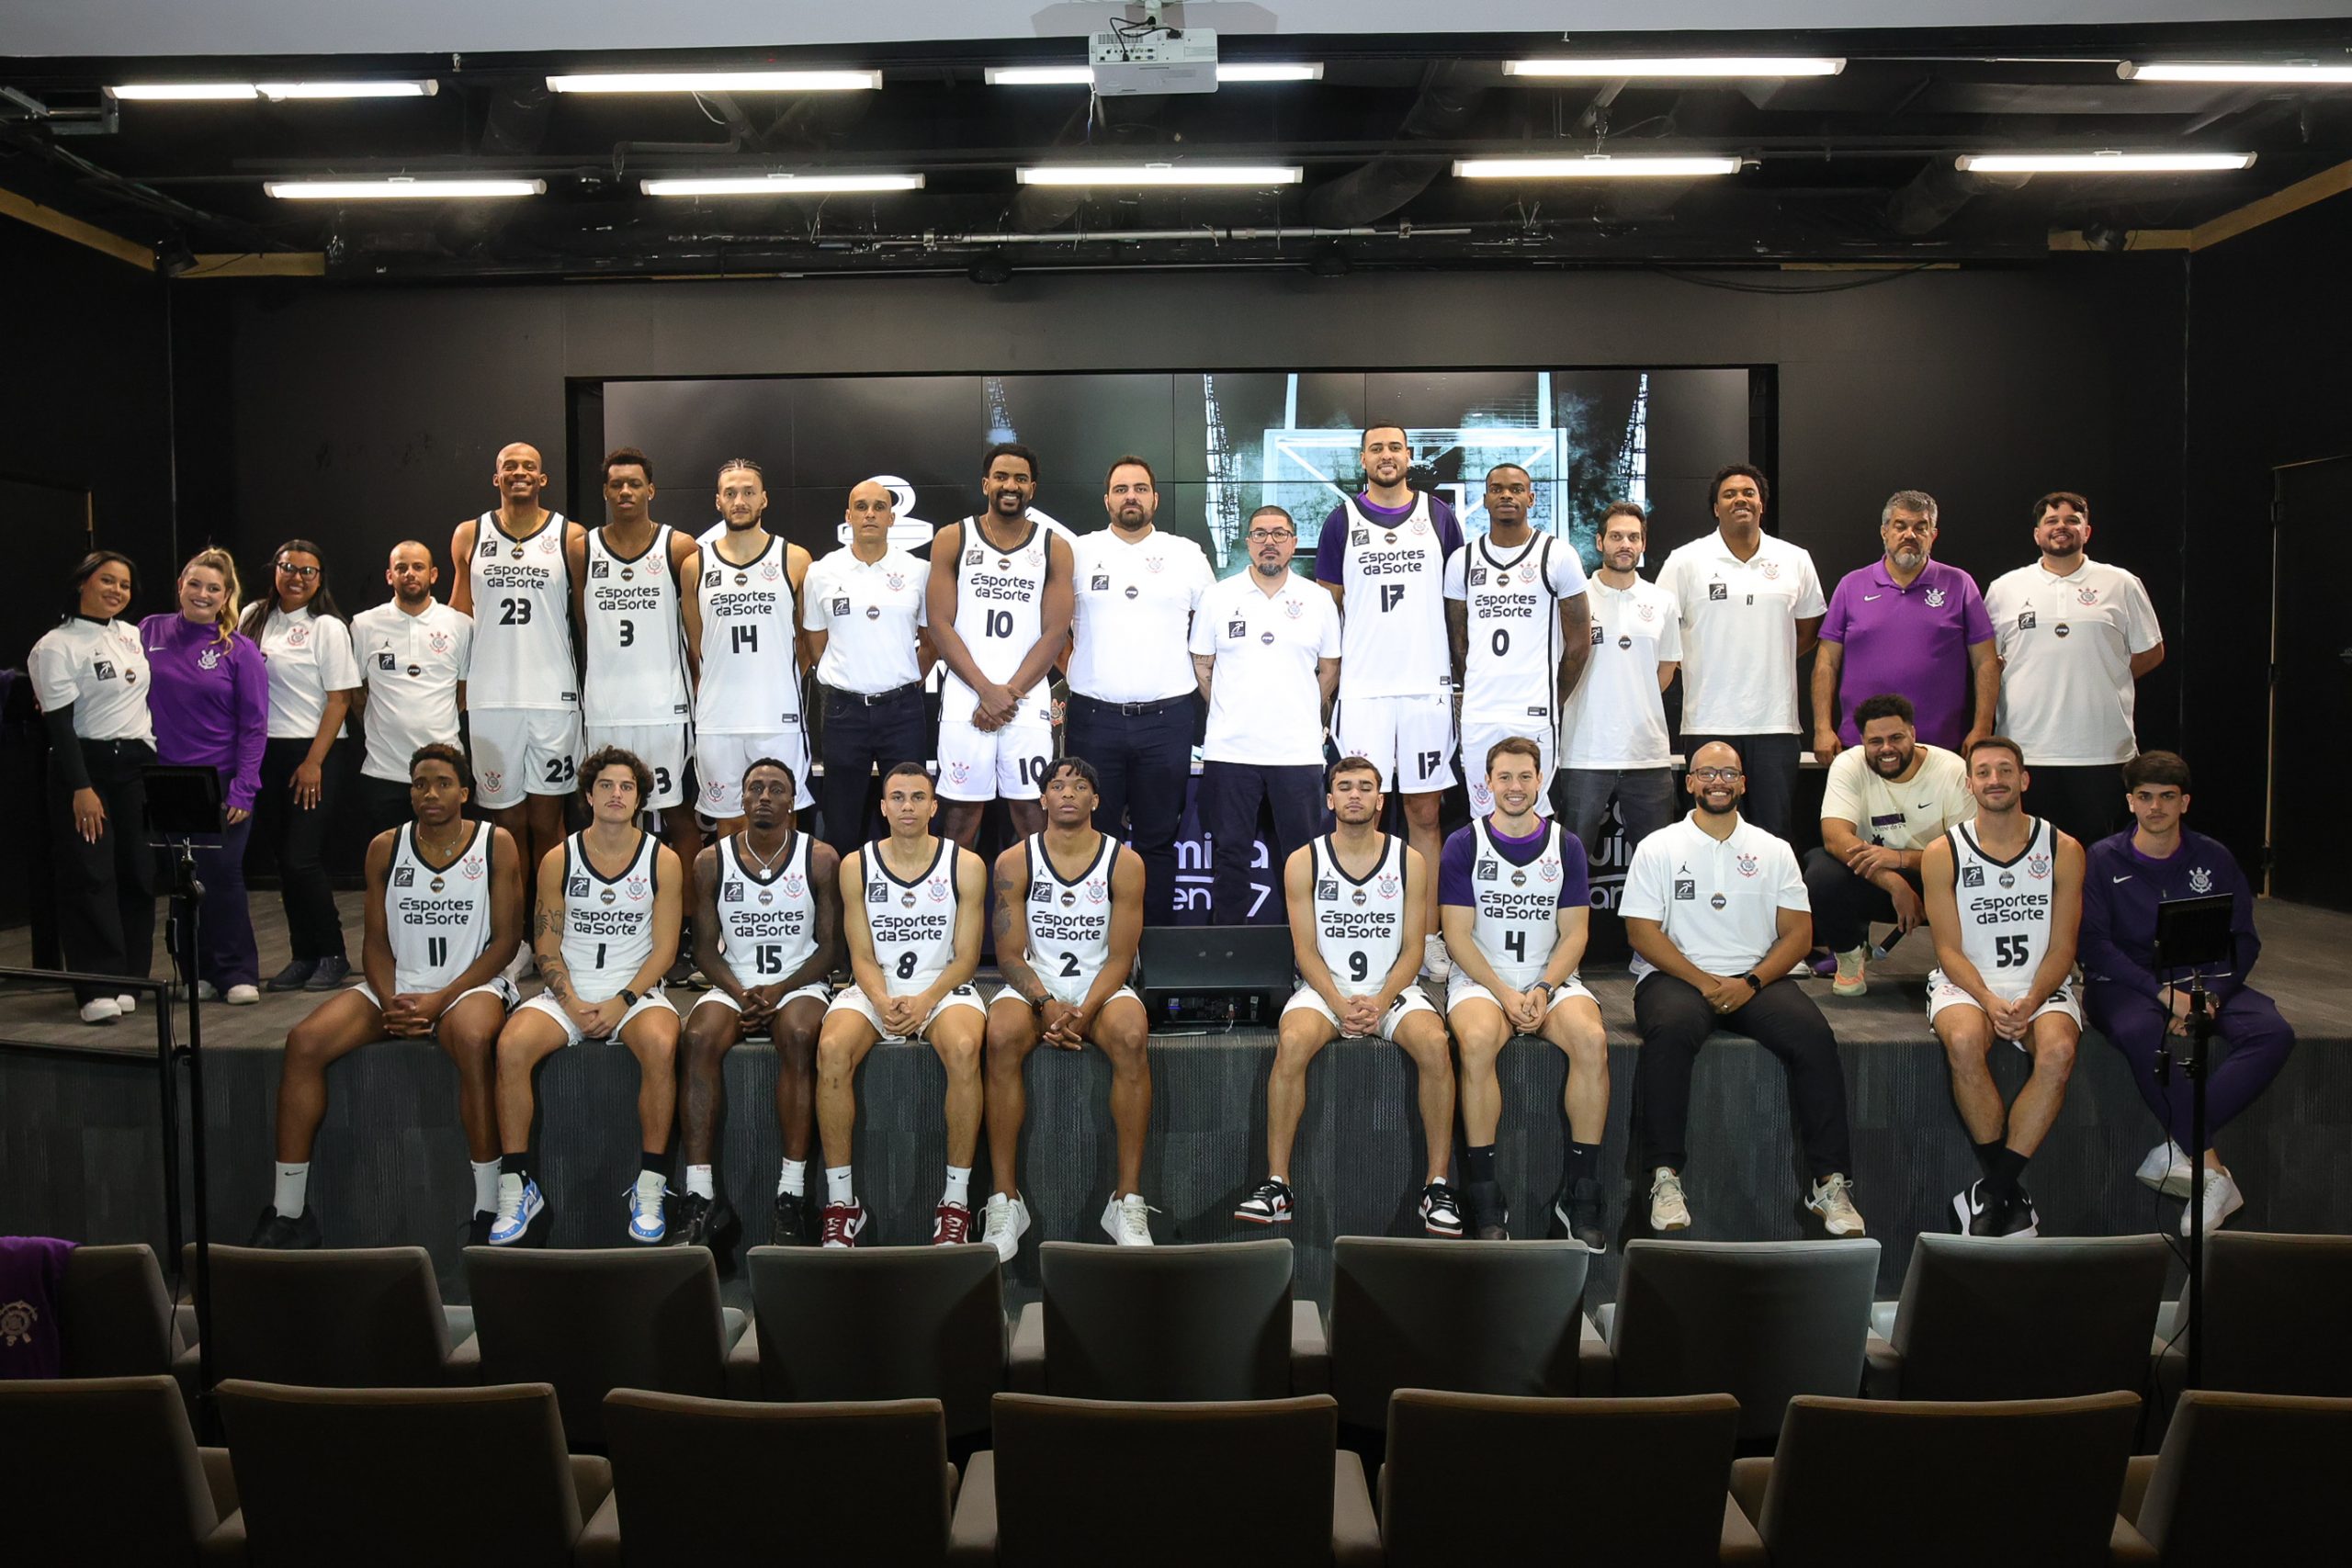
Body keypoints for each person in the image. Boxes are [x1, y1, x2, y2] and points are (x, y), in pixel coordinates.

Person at [247, 745, 525, 1247]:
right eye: (420, 784)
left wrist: (440, 999)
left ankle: (487, 1208)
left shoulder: (495, 843)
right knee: (304, 1042)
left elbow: (506, 941)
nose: (430, 793)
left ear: (464, 793)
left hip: (471, 985)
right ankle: (289, 1212)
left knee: (472, 1039)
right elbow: (374, 942)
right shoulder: (384, 847)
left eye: (442, 783)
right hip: (400, 987)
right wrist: (394, 1000)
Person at [1620, 741, 1865, 1238]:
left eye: (1729, 774)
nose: (1718, 782)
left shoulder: (1773, 849)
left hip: (1756, 979)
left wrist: (1750, 981)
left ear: (1743, 783)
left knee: (1815, 1038)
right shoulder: (1659, 846)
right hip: (1678, 978)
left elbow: (1798, 934)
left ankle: (1830, 1184)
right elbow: (1642, 932)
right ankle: (1664, 1179)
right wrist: (1705, 981)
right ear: (1689, 782)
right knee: (1670, 1033)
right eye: (1707, 773)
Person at [1235, 756, 1461, 1237]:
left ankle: (1437, 1186)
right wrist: (1339, 1005)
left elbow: (1414, 948)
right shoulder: (1304, 860)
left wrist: (1380, 1001)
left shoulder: (1409, 860)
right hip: (1326, 990)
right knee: (1293, 1041)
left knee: (1435, 1044)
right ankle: (1277, 1184)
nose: (1354, 794)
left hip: (1391, 989)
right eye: (1344, 787)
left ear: (1380, 800)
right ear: (1330, 799)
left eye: (1364, 787)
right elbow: (1304, 950)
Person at [2081, 750, 2293, 1236]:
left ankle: (2180, 1146)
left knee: (2273, 1032)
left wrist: (2209, 997)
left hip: (2205, 979)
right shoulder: (2102, 858)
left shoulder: (2214, 857)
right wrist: (2163, 995)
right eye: (2145, 796)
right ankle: (2212, 1172)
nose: (2155, 807)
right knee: (2140, 1033)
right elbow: (2093, 945)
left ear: (2185, 802)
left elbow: (2244, 940)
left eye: (2167, 797)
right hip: (2127, 984)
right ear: (2130, 802)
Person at [487, 747, 684, 1247]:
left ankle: (651, 1186)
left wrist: (623, 1000)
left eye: (627, 787)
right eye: (606, 786)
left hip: (634, 991)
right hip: (569, 992)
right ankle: (516, 1185)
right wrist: (572, 1003)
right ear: (589, 796)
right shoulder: (559, 858)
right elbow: (546, 945)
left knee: (662, 1044)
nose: (616, 794)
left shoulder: (662, 859)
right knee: (511, 1045)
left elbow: (665, 951)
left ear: (639, 799)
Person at [1439, 739, 1610, 1248]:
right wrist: (1504, 993)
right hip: (1482, 981)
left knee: (1592, 1040)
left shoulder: (1566, 845)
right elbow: (1456, 936)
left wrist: (1543, 986)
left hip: (1548, 979)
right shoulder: (1464, 844)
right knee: (1475, 1043)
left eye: (1525, 777)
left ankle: (1580, 1193)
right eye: (1505, 777)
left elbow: (1575, 933)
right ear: (1487, 783)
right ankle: (1485, 1195)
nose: (1515, 787)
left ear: (1541, 781)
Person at [980, 758, 1152, 1258]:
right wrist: (1045, 1002)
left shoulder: (1125, 862)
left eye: (1079, 786)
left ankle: (1127, 1200)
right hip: (1038, 983)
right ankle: (1005, 1200)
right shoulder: (1014, 861)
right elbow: (1009, 956)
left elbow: (1120, 957)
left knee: (1132, 1035)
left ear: (1096, 800)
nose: (1068, 793)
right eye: (1057, 786)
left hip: (1101, 983)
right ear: (1043, 799)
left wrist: (1084, 1009)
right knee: (1000, 1035)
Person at [814, 762, 989, 1247]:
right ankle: (841, 1204)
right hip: (878, 987)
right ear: (883, 806)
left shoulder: (966, 865)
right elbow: (861, 954)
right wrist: (882, 999)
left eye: (917, 797)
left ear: (934, 807)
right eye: (897, 797)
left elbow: (967, 958)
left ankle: (955, 1204)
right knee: (831, 1049)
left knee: (964, 1047)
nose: (907, 806)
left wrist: (925, 1000)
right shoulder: (856, 865)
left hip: (942, 987)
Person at [1316, 425, 1465, 978]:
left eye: (1394, 448)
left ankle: (1427, 938)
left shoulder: (1439, 516)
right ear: (1363, 458)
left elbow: (1457, 602)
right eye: (1376, 448)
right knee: (1360, 812)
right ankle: (1363, 932)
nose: (1386, 456)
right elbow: (1328, 608)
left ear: (1408, 455)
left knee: (1425, 813)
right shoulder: (1341, 520)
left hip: (1425, 686)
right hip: (1364, 690)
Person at [1919, 737, 2083, 1239]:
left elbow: (2064, 946)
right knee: (1964, 1040)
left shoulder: (2063, 848)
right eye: (1984, 772)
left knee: (2058, 1052)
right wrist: (1989, 1000)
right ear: (1969, 784)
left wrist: (2032, 999)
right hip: (1969, 983)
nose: (1995, 780)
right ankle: (2007, 1192)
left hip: (2040, 983)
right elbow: (1947, 950)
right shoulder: (1942, 852)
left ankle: (1994, 1191)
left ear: (2024, 779)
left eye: (2005, 770)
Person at [676, 759, 840, 1258]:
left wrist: (780, 988)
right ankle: (700, 1195)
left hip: (799, 980)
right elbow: (704, 950)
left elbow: (831, 950)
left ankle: (791, 1194)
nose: (765, 796)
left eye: (776, 789)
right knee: (697, 1038)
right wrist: (740, 991)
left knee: (798, 1035)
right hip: (735, 982)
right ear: (741, 798)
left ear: (793, 800)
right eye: (755, 788)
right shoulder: (710, 861)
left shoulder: (820, 858)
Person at [574, 447, 704, 985]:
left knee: (679, 819)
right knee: (607, 815)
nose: (625, 492)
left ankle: (689, 932)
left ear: (651, 490)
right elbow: (582, 624)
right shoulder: (583, 549)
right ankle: (611, 926)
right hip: (605, 707)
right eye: (616, 485)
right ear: (605, 491)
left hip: (663, 707)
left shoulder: (678, 546)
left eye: (634, 484)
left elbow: (694, 634)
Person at [448, 441, 586, 946]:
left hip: (552, 696)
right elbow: (459, 614)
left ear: (543, 479)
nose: (520, 472)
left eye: (530, 466)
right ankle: (515, 940)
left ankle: (551, 933)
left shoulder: (570, 535)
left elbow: (585, 616)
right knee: (506, 826)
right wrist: (456, 684)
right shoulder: (470, 533)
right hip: (491, 698)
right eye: (510, 466)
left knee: (548, 824)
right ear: (497, 477)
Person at [1066, 456, 1214, 925]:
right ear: (1106, 499)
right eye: (1121, 489)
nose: (1131, 496)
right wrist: (1076, 668)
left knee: (1158, 838)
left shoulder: (1185, 554)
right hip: (1094, 719)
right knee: (1093, 837)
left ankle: (1154, 947)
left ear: (1155, 498)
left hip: (1168, 720)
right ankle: (1097, 944)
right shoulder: (1077, 551)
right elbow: (1051, 627)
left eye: (1140, 488)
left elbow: (1210, 629)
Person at [1984, 492, 2165, 851]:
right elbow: (1988, 661)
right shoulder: (2004, 588)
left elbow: (2151, 651)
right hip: (2027, 747)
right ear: (2037, 534)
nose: (2061, 527)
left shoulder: (2121, 583)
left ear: (2087, 531)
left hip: (2102, 749)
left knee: (2100, 853)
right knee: (2032, 852)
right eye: (2051, 521)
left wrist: (2104, 677)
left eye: (2071, 520)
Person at [1656, 466, 1826, 839]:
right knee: (1707, 832)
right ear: (1716, 508)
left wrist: (1771, 656)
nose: (1740, 500)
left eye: (1749, 493)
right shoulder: (1685, 560)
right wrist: (1700, 661)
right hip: (1708, 721)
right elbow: (1660, 631)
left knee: (1774, 835)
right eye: (1729, 494)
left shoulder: (1795, 559)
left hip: (1775, 724)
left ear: (1762, 504)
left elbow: (1809, 629)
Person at [1190, 504, 1340, 923]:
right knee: (1230, 857)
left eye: (1279, 534)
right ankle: (1229, 955)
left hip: (1297, 753)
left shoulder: (1317, 600)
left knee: (1302, 860)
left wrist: (1301, 710)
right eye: (1260, 534)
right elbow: (1202, 665)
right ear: (1248, 543)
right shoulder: (1218, 597)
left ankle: (1304, 956)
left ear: (1294, 542)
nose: (1269, 542)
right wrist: (1233, 708)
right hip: (1231, 751)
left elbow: (1330, 669)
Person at [31, 551, 157, 1025]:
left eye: (124, 584)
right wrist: (81, 787)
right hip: (85, 767)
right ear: (82, 582)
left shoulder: (131, 635)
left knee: (137, 872)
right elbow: (60, 727)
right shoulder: (56, 646)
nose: (117, 591)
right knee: (90, 875)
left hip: (136, 766)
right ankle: (96, 986)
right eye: (107, 581)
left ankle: (130, 977)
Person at [930, 443, 1074, 851]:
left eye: (1020, 479)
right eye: (1001, 477)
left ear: (1033, 488)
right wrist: (985, 690)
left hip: (1026, 697)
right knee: (960, 817)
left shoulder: (1054, 546)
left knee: (1033, 813)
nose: (1010, 486)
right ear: (985, 484)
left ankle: (1036, 894)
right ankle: (959, 895)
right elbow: (939, 624)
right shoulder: (953, 538)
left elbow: (1055, 633)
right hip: (965, 695)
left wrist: (1005, 696)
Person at [141, 549, 266, 1006]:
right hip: (164, 781)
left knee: (222, 878)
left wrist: (244, 788)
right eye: (194, 584)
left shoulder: (240, 650)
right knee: (182, 880)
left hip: (222, 782)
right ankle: (196, 973)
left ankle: (236, 972)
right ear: (180, 585)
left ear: (226, 595)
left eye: (213, 588)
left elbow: (254, 725)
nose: (202, 594)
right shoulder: (148, 631)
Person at [242, 540, 362, 992]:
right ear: (274, 569)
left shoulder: (327, 627)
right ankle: (302, 955)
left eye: (307, 571)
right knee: (283, 863)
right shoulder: (253, 616)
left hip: (314, 754)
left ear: (320, 578)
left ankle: (333, 954)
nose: (296, 577)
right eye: (288, 567)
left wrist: (314, 761)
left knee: (301, 858)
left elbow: (340, 700)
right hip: (264, 753)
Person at [1443, 463, 1590, 818]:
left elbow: (1579, 642)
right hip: (1480, 710)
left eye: (1516, 489)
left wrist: (1552, 697)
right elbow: (1457, 643)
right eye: (1497, 489)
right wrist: (1477, 686)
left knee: (1532, 813)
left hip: (1533, 710)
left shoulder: (1557, 555)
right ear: (1485, 499)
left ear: (1531, 498)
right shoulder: (1462, 560)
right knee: (1483, 814)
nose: (1506, 495)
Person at [1803, 694, 1974, 997]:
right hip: (1876, 876)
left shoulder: (1952, 770)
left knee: (1975, 875)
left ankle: (1960, 961)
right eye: (1876, 741)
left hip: (1937, 878)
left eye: (1896, 738)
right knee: (1821, 870)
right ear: (1863, 742)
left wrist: (1900, 859)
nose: (1886, 749)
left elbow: (1965, 852)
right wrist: (1895, 884)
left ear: (1913, 734)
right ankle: (1849, 955)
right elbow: (1834, 836)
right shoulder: (1849, 764)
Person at [1811, 491, 1996, 758]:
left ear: (1933, 535)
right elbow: (1826, 662)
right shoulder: (1851, 585)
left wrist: (1982, 728)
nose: (1910, 535)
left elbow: (1985, 661)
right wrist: (1822, 728)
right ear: (1884, 532)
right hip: (1862, 743)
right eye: (1900, 526)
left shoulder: (1959, 584)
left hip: (1940, 746)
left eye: (1921, 527)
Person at [802, 480, 932, 855]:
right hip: (844, 712)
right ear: (848, 516)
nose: (870, 514)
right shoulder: (821, 572)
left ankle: (908, 887)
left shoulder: (918, 571)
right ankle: (845, 893)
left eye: (879, 507)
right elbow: (816, 644)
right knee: (842, 822)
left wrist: (904, 678)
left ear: (892, 517)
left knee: (909, 815)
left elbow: (931, 639)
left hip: (903, 711)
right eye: (861, 507)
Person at [688, 459, 815, 833]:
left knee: (782, 820)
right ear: (718, 501)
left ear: (764, 499)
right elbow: (696, 645)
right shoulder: (695, 564)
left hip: (777, 715)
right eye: (730, 493)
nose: (739, 501)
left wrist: (778, 680)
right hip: (718, 717)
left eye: (748, 492)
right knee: (728, 824)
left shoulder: (795, 559)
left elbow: (806, 640)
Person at [1557, 502, 1682, 859]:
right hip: (1584, 753)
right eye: (1616, 536)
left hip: (1647, 754)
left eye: (1633, 537)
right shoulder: (1574, 598)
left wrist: (1634, 699)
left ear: (1643, 544)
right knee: (1571, 861)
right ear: (1599, 542)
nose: (1625, 544)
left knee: (1658, 862)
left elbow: (1666, 670)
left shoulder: (1662, 601)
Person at [348, 541, 472, 843]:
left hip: (444, 771)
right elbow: (355, 694)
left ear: (433, 574)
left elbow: (463, 694)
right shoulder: (364, 625)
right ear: (389, 576)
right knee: (386, 859)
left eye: (418, 567)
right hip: (384, 770)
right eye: (401, 568)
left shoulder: (460, 625)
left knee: (444, 855)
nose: (409, 574)